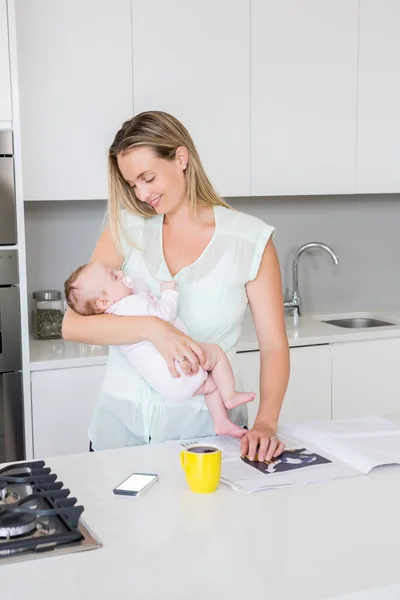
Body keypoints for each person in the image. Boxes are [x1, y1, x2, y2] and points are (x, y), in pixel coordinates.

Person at [62, 110, 290, 462]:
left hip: (208, 438)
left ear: (181, 158)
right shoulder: (127, 229)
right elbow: (73, 324)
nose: (141, 193)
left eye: (148, 177)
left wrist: (266, 423)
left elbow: (274, 346)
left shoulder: (249, 240)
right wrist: (153, 328)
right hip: (118, 436)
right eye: (132, 184)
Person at [64, 260, 255, 438]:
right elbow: (163, 315)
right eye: (114, 277)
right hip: (182, 366)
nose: (120, 273)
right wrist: (169, 292)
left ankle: (220, 422)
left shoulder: (115, 319)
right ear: (103, 302)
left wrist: (129, 284)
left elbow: (142, 294)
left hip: (170, 386)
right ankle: (229, 397)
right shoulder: (131, 304)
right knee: (217, 355)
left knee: (211, 384)